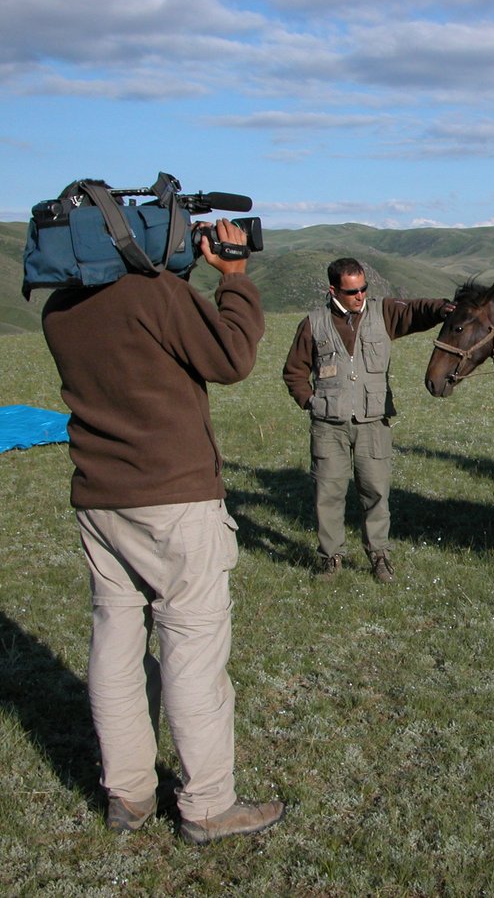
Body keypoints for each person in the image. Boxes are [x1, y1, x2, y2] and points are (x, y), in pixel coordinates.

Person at [41, 218, 285, 844]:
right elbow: (231, 357)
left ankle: (128, 793)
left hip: (100, 499)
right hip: (174, 500)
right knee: (193, 650)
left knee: (116, 648)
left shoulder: (60, 307)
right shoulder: (152, 293)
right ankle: (208, 805)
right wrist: (233, 277)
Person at [282, 258, 451, 581]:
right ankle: (330, 557)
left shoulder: (383, 313)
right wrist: (311, 402)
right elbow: (294, 372)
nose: (360, 296)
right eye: (351, 291)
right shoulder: (313, 323)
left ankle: (379, 556)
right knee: (327, 494)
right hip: (328, 426)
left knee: (376, 491)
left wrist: (443, 309)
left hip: (374, 422)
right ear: (333, 290)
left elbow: (415, 311)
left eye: (363, 288)